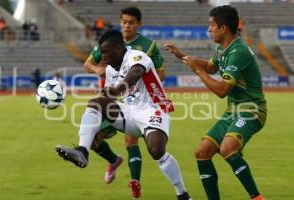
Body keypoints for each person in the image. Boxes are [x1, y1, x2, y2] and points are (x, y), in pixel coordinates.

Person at [55, 30, 192, 200]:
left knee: (156, 150)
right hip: (129, 113)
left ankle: (182, 195)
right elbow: (112, 95)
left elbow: (135, 73)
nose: (102, 57)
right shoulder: (111, 70)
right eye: (101, 53)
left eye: (106, 52)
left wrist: (116, 89)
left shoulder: (136, 56)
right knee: (95, 103)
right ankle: (82, 151)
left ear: (119, 48)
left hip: (153, 109)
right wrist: (104, 99)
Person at [164, 5, 266, 200]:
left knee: (227, 148)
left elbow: (221, 90)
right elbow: (211, 67)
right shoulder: (222, 49)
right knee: (202, 152)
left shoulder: (239, 52)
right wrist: (182, 56)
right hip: (233, 111)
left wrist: (197, 70)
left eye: (211, 25)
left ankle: (257, 198)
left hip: (252, 110)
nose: (208, 29)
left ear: (223, 28)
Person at [84, 6, 166, 199]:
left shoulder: (148, 45)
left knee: (131, 139)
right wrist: (97, 70)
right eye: (124, 22)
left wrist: (142, 83)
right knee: (93, 140)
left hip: (134, 102)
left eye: (131, 22)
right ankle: (113, 160)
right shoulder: (109, 42)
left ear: (139, 24)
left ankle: (135, 182)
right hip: (109, 99)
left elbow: (162, 73)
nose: (127, 26)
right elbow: (88, 64)